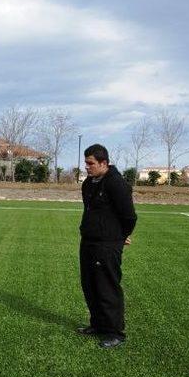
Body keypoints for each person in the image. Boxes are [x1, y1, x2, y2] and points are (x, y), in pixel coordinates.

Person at [78, 144, 137, 348]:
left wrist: (121, 236)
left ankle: (115, 333)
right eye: (86, 162)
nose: (86, 167)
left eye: (90, 163)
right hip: (88, 241)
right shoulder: (88, 183)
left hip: (107, 245)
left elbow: (129, 216)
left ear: (104, 163)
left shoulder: (117, 184)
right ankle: (98, 325)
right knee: (90, 285)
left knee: (107, 287)